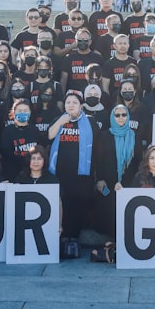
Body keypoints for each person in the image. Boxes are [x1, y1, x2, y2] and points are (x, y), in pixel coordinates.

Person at [48, 92, 112, 246]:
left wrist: (100, 174)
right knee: (64, 204)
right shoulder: (59, 119)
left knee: (79, 206)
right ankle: (63, 237)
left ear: (81, 106)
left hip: (82, 175)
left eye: (74, 102)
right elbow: (49, 136)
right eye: (68, 102)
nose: (70, 105)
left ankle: (74, 238)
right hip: (61, 173)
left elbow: (98, 149)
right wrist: (60, 122)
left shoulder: (90, 122)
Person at [0, 99, 46, 181]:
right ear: (14, 112)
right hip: (12, 173)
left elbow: (40, 149)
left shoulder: (34, 130)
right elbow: (6, 152)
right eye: (19, 110)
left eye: (25, 110)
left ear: (30, 112)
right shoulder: (8, 130)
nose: (22, 112)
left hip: (31, 173)